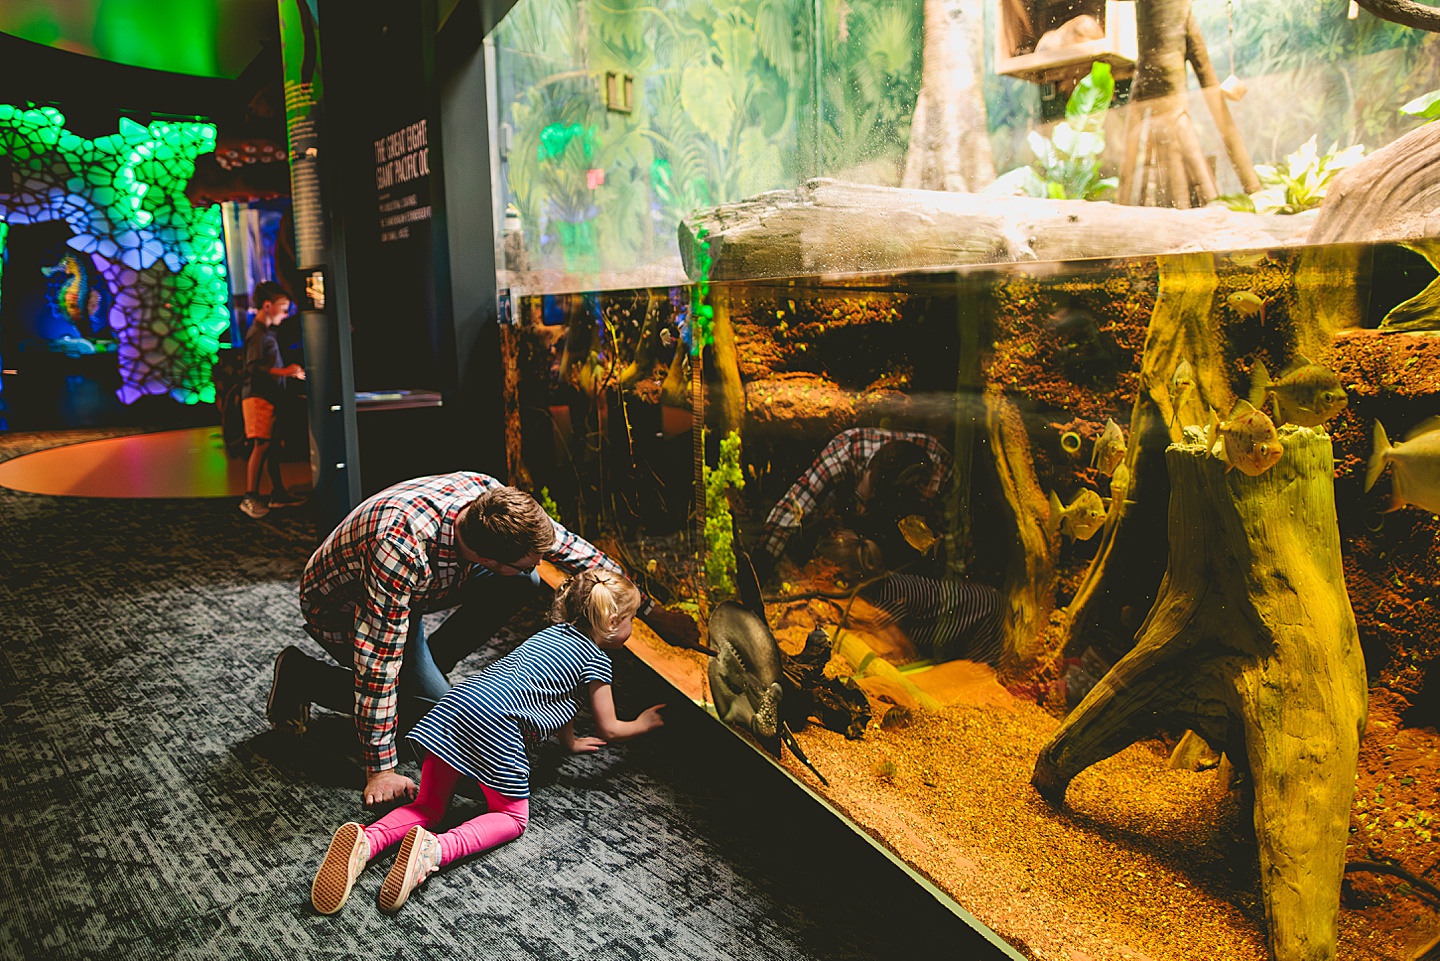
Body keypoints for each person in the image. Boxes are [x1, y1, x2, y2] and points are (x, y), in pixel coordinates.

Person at [266, 473, 698, 806]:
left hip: (421, 588)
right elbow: (376, 663)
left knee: (525, 582)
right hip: (347, 604)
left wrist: (651, 612)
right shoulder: (399, 549)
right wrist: (380, 768)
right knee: (445, 719)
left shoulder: (491, 500)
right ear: (490, 558)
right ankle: (302, 675)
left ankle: (426, 670)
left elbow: (574, 551)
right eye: (524, 559)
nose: (542, 562)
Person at [309, 569, 665, 914]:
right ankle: (436, 851)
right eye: (632, 617)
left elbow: (560, 694)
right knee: (511, 817)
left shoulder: (551, 634)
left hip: (457, 704)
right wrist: (644, 724)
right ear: (614, 620)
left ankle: (367, 842)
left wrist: (569, 743)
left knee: (429, 806)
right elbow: (610, 728)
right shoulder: (597, 661)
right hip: (496, 723)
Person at [754, 427, 1003, 665]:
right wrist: (758, 573)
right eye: (864, 494)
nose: (863, 506)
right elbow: (789, 511)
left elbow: (956, 545)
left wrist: (951, 602)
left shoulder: (939, 475)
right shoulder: (845, 451)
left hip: (901, 552)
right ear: (867, 469)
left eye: (870, 500)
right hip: (849, 538)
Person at [239, 281, 306, 519]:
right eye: (283, 308)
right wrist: (287, 371)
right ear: (267, 306)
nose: (286, 314)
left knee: (270, 445)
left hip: (268, 397)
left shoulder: (265, 333)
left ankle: (278, 493)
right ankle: (250, 498)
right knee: (262, 445)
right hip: (258, 398)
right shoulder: (257, 334)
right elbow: (254, 368)